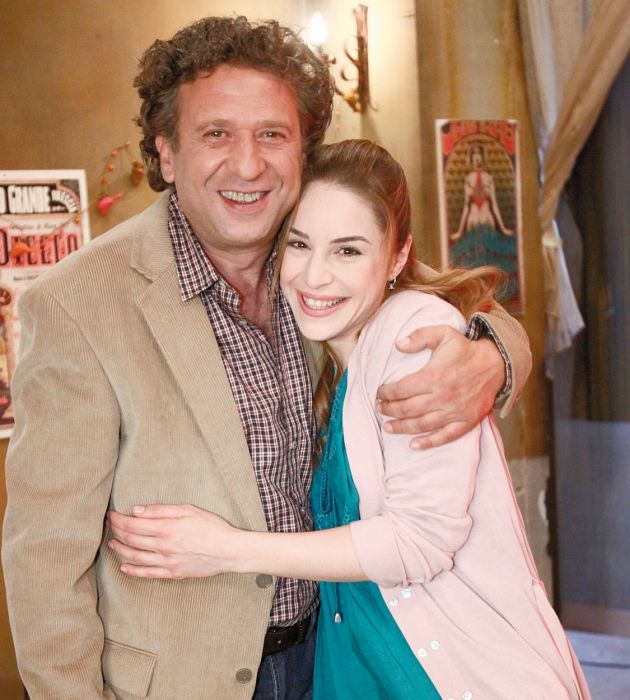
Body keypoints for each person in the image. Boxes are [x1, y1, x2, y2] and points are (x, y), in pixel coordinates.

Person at [2, 17, 531, 700]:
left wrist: (493, 359)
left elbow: (450, 303)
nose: (248, 165)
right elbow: (46, 564)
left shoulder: (315, 255)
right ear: (167, 154)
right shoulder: (77, 304)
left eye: (272, 135)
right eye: (216, 134)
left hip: (333, 656)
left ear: (302, 153)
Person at [109, 140, 589, 699]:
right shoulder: (327, 353)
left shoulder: (411, 336)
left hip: (443, 674)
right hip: (357, 666)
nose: (315, 277)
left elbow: (419, 541)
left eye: (347, 251)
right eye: (299, 244)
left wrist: (223, 547)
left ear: (398, 258)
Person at [450, 142, 513, 240]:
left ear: (483, 156)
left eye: (478, 153)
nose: (476, 156)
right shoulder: (468, 179)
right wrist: (459, 232)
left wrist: (503, 229)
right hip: (473, 222)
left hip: (487, 220)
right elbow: (466, 207)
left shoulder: (489, 178)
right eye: (473, 153)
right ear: (471, 157)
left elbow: (494, 206)